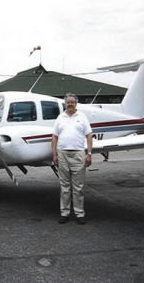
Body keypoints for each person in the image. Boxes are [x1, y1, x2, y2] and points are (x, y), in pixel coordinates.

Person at [51, 93, 93, 225]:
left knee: (78, 187)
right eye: (68, 102)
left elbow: (89, 135)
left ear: (76, 103)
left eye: (72, 102)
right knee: (64, 187)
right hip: (62, 154)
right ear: (65, 103)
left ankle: (79, 214)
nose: (70, 104)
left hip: (78, 154)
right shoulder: (60, 117)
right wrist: (54, 154)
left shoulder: (82, 117)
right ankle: (65, 213)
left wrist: (89, 153)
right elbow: (54, 137)